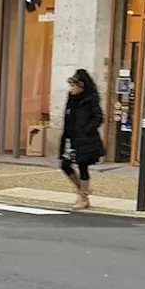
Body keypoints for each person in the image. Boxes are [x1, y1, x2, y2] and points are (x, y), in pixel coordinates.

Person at [59, 68, 105, 210]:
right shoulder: (71, 99)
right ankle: (82, 191)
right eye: (71, 85)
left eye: (74, 86)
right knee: (65, 165)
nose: (71, 88)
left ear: (81, 86)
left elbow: (98, 117)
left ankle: (83, 198)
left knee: (83, 166)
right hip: (71, 138)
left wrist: (87, 129)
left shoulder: (90, 100)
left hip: (84, 139)